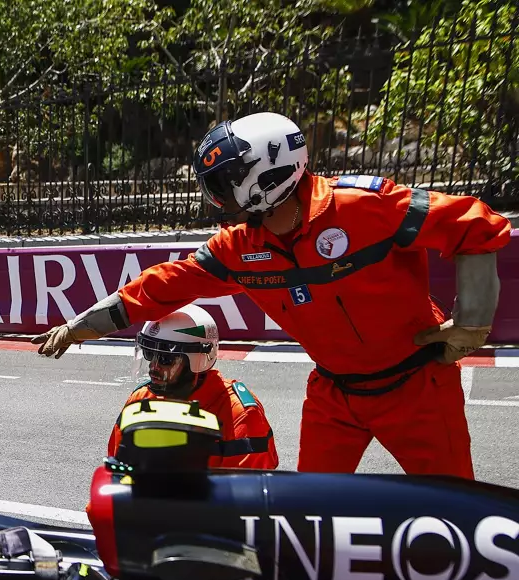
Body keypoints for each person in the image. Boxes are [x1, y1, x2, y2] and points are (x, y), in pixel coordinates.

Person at [33, 111, 511, 479]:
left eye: (225, 184)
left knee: (452, 512)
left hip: (418, 388)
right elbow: (163, 284)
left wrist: (471, 324)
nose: (219, 198)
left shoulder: (365, 205)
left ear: (269, 173)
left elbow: (476, 225)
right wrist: (81, 326)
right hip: (334, 396)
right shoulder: (240, 247)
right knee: (310, 517)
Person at [112, 305, 278, 469]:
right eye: (149, 354)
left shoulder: (240, 414)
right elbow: (117, 470)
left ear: (199, 359)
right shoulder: (139, 399)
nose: (153, 367)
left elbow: (248, 489)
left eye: (165, 358)